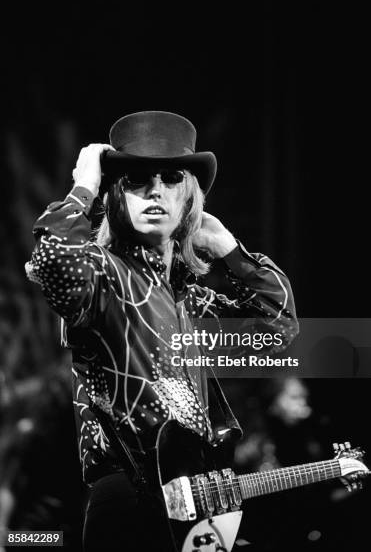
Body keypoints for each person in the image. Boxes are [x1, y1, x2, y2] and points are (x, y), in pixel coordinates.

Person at [26, 111, 298, 551]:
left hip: (202, 502)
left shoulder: (192, 299)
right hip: (131, 498)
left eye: (172, 178)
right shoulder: (102, 276)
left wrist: (231, 250)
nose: (155, 190)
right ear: (115, 195)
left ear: (189, 198)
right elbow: (55, 260)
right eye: (136, 179)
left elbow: (278, 327)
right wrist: (83, 188)